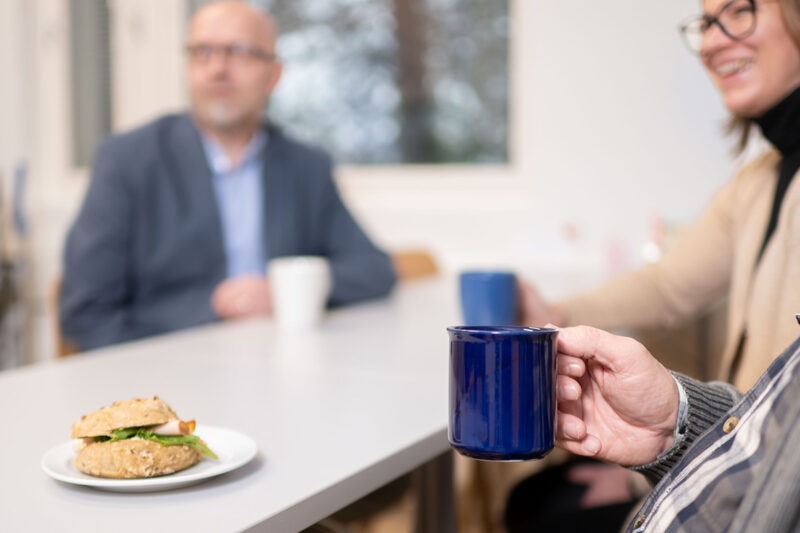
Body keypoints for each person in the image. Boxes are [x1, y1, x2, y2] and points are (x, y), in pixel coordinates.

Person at [497, 1, 800, 531]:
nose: (710, 41)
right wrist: (558, 310)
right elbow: (670, 285)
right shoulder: (758, 178)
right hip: (733, 448)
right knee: (535, 497)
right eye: (706, 22)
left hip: (748, 477)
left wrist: (661, 466)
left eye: (740, 11)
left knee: (542, 508)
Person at [60, 0, 396, 351]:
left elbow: (373, 270)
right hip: (172, 377)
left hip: (286, 364)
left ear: (274, 74)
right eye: (202, 51)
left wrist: (281, 292)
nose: (218, 68)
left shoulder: (306, 167)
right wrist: (212, 309)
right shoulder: (126, 160)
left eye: (238, 51)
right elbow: (85, 312)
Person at [508, 322, 800, 532]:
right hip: (672, 487)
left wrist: (630, 482)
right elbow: (764, 435)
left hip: (659, 499)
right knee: (523, 500)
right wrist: (671, 427)